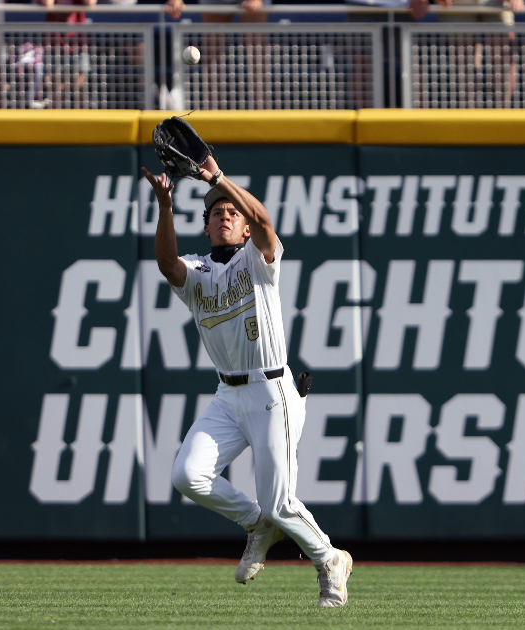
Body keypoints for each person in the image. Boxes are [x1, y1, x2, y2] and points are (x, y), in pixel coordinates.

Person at [140, 152, 353, 608]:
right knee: (187, 474)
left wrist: (217, 178)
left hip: (273, 390)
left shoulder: (258, 259)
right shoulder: (198, 273)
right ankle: (258, 525)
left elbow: (263, 218)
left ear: (243, 228)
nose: (225, 217)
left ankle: (329, 560)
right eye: (216, 212)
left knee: (282, 502)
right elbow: (165, 264)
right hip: (228, 396)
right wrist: (164, 208)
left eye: (231, 213)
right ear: (206, 225)